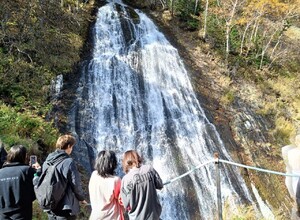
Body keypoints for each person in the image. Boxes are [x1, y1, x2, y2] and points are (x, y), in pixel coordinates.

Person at [42, 134, 87, 220]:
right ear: (69, 146)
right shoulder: (68, 162)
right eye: (72, 147)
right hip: (65, 207)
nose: (72, 149)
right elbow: (75, 184)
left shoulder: (47, 162)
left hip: (50, 205)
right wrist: (81, 198)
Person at [120, 150, 163, 220]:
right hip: (154, 216)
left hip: (137, 217)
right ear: (137, 158)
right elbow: (160, 185)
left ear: (126, 162)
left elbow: (125, 203)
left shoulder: (125, 179)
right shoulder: (149, 169)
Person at [0, 145, 36, 220]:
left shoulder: (1, 172)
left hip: (2, 212)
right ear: (24, 156)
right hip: (22, 212)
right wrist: (38, 171)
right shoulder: (27, 170)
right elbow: (37, 187)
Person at [89, 150, 124, 220]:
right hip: (112, 217)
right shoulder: (116, 180)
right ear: (113, 164)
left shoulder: (94, 175)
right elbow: (122, 200)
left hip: (95, 216)